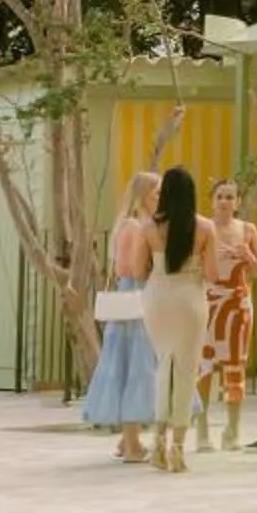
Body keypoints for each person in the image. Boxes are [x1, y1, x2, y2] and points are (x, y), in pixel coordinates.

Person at [141, 166, 219, 473]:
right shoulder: (205, 228)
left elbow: (136, 270)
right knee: (187, 370)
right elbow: (213, 274)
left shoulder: (148, 228)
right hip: (189, 299)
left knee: (164, 366)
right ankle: (177, 448)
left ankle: (157, 442)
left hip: (158, 297)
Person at [84, 172, 161, 461]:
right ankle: (131, 443)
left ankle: (127, 439)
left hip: (130, 298)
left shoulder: (129, 225)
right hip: (136, 298)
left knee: (131, 364)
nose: (160, 200)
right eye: (157, 194)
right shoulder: (136, 227)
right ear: (143, 196)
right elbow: (132, 268)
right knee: (137, 366)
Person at [195, 179, 257, 452]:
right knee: (204, 367)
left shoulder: (248, 230)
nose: (224, 202)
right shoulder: (203, 230)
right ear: (212, 201)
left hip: (238, 305)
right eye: (220, 196)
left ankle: (233, 429)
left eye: (230, 197)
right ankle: (201, 431)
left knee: (235, 366)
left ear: (237, 202)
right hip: (208, 303)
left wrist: (247, 256)